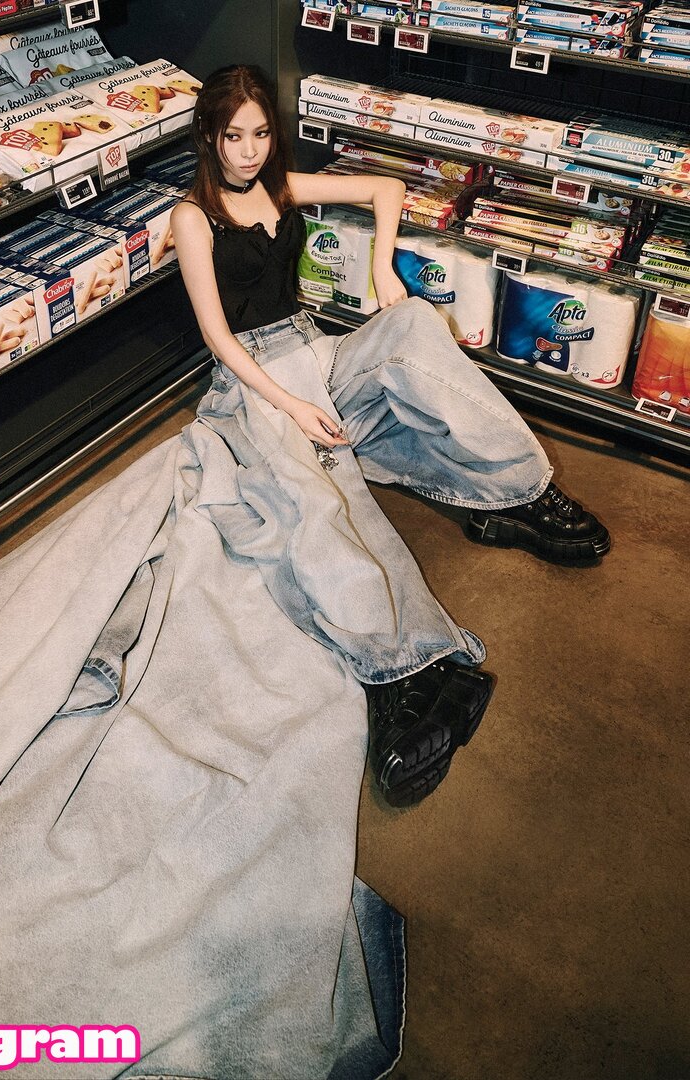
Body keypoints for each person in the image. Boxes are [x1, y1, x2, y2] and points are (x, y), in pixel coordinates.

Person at [170, 64, 611, 809]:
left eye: (261, 134)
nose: (248, 152)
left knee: (410, 324)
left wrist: (382, 267)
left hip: (316, 350)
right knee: (320, 501)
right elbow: (218, 338)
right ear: (209, 137)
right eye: (233, 137)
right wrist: (292, 405)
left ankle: (517, 492)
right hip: (254, 383)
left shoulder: (281, 186)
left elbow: (386, 188)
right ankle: (405, 672)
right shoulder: (193, 217)